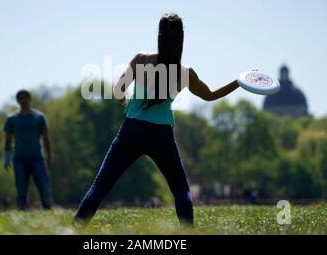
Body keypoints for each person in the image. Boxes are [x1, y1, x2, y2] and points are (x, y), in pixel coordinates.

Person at [73, 13, 239, 227]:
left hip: (132, 130)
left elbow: (118, 90)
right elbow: (211, 95)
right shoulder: (185, 73)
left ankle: (75, 230)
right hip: (162, 134)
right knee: (180, 190)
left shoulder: (141, 59)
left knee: (100, 187)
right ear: (181, 38)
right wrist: (239, 82)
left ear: (159, 35)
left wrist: (130, 104)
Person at [3, 89, 53, 210]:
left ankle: (47, 209)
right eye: (21, 98)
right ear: (18, 101)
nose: (24, 101)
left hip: (37, 158)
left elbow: (46, 138)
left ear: (30, 99)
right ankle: (22, 211)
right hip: (19, 159)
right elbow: (8, 141)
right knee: (21, 188)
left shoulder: (39, 117)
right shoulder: (12, 119)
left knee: (43, 186)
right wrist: (6, 159)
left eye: (26, 98)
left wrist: (49, 155)